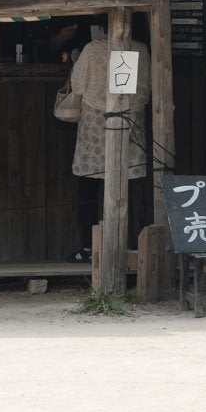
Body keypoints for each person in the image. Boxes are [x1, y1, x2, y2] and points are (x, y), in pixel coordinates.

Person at [64, 29, 150, 263]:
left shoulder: (93, 49)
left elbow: (78, 85)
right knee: (130, 186)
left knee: (89, 187)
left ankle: (89, 247)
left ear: (101, 26)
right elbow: (148, 88)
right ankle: (132, 245)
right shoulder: (141, 49)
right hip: (132, 123)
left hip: (95, 125)